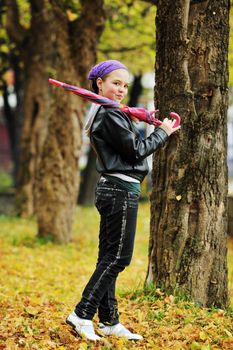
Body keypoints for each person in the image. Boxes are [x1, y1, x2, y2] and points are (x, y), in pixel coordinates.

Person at [66, 60, 181, 341]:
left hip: (113, 189)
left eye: (125, 85)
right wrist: (162, 131)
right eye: (116, 83)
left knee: (108, 258)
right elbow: (137, 151)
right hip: (119, 190)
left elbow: (125, 141)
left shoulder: (105, 112)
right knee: (118, 258)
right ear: (99, 83)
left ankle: (108, 320)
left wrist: (140, 118)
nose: (121, 90)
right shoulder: (109, 114)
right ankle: (82, 314)